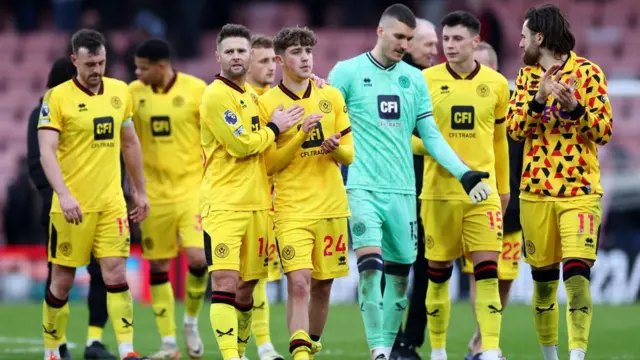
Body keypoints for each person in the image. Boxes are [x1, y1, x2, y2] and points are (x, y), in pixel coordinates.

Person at [328, 4, 493, 360]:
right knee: (371, 270)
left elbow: (430, 135)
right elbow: (326, 119)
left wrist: (463, 173)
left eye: (409, 38)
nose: (405, 43)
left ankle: (388, 346)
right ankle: (378, 350)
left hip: (404, 193)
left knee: (401, 280)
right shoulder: (347, 72)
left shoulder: (413, 79)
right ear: (381, 32)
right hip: (362, 189)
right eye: (399, 36)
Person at [507, 5, 613, 360]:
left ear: (539, 37)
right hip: (535, 194)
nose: (519, 43)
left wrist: (576, 109)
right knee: (542, 288)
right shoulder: (524, 79)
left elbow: (604, 132)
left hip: (579, 192)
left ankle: (577, 356)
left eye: (524, 36)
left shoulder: (589, 73)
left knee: (578, 277)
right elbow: (515, 131)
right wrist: (539, 98)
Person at [37, 29, 150, 360]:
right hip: (71, 207)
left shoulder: (119, 92)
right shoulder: (56, 98)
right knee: (62, 283)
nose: (97, 69)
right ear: (75, 61)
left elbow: (129, 142)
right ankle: (52, 352)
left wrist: (139, 191)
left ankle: (128, 350)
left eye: (101, 62)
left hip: (111, 203)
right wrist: (64, 194)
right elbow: (47, 150)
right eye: (89, 63)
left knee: (115, 274)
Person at [199, 23, 301, 360]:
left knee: (248, 288)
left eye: (242, 50)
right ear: (218, 57)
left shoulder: (251, 96)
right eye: (229, 51)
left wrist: (310, 85)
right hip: (224, 205)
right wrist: (274, 128)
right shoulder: (216, 95)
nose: (237, 56)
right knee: (225, 282)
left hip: (258, 204)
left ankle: (241, 351)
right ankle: (231, 357)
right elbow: (242, 145)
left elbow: (273, 131)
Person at [415, 11, 510, 360]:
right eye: (446, 39)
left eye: (457, 39)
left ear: (475, 41)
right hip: (438, 193)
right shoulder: (424, 80)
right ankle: (438, 351)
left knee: (487, 272)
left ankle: (489, 349)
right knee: (437, 274)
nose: (449, 46)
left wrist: (503, 187)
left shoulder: (497, 85)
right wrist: (436, 149)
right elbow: (408, 138)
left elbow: (499, 139)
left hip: (482, 194)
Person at [258, 26, 353, 360]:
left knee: (323, 286)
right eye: (297, 53)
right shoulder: (267, 103)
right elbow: (268, 164)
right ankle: (299, 356)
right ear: (281, 60)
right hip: (291, 209)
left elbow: (349, 154)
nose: (305, 58)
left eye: (308, 52)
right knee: (298, 284)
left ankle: (309, 347)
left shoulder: (331, 96)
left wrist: (334, 148)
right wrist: (299, 135)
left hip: (331, 206)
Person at [28, 57, 118, 360]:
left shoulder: (101, 105)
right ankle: (57, 344)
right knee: (60, 278)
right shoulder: (45, 111)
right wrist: (62, 198)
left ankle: (94, 340)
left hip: (102, 207)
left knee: (102, 273)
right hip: (61, 210)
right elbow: (38, 164)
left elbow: (111, 154)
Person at [128, 38, 208, 359]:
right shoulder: (133, 94)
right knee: (158, 266)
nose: (137, 73)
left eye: (142, 68)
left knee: (199, 258)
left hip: (192, 189)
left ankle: (190, 321)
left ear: (160, 67)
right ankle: (169, 344)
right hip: (153, 195)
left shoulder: (196, 90)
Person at [460, 41, 525, 360]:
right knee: (480, 273)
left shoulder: (515, 108)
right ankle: (485, 343)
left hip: (512, 207)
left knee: (506, 279)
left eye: (485, 67)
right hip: (474, 203)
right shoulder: (461, 106)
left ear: (496, 70)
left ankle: (481, 337)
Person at [390, 17, 439, 360]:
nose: (436, 49)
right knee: (395, 265)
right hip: (397, 187)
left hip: (430, 189)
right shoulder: (393, 78)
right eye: (429, 44)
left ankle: (410, 340)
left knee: (426, 265)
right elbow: (392, 131)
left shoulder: (435, 80)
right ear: (408, 44)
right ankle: (390, 338)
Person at [243, 34, 286, 360]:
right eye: (263, 61)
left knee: (260, 276)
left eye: (273, 60)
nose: (271, 67)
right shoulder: (240, 100)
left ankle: (265, 344)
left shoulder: (280, 99)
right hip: (240, 200)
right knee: (242, 278)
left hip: (275, 199)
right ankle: (245, 345)